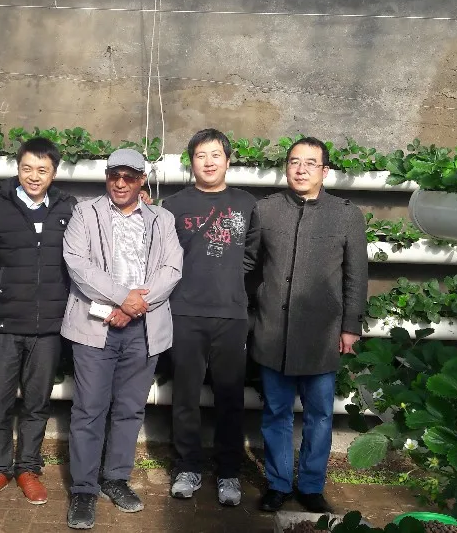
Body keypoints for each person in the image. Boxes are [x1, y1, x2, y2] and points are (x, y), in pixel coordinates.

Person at [61, 148, 184, 529]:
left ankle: (115, 478)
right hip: (94, 326)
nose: (120, 183)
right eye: (114, 175)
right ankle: (83, 489)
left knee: (130, 408)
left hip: (143, 328)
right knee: (89, 409)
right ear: (106, 177)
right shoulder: (85, 213)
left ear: (142, 180)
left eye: (129, 177)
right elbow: (78, 265)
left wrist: (132, 307)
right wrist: (121, 298)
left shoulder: (162, 219)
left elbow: (171, 268)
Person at [250, 137, 368, 513]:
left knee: (319, 414)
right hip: (273, 331)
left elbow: (356, 276)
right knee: (276, 413)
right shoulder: (266, 210)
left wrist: (350, 326)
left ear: (325, 171)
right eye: (294, 162)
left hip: (322, 334)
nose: (300, 170)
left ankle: (312, 485)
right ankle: (278, 484)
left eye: (310, 163)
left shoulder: (346, 215)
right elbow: (250, 266)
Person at [0, 137, 78, 505]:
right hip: (1, 323)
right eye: (27, 168)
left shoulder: (68, 208)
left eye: (42, 170)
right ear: (18, 168)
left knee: (36, 402)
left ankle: (28, 468)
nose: (34, 176)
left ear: (54, 173)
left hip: (49, 327)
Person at [160, 128, 260, 506]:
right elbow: (164, 256)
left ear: (227, 160)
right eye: (201, 155)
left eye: (215, 154)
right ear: (191, 162)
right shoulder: (174, 205)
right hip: (184, 312)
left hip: (231, 315)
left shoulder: (246, 203)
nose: (208, 162)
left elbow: (252, 256)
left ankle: (229, 471)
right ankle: (187, 466)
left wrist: (229, 280)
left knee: (230, 397)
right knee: (185, 396)